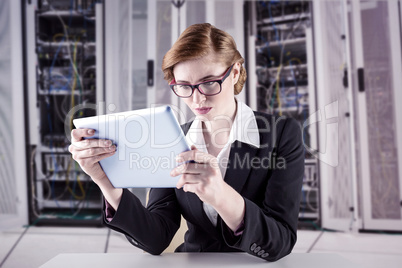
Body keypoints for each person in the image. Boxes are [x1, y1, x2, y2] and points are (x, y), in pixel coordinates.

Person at [69, 23, 304, 262]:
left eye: (210, 82)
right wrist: (106, 181)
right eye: (184, 87)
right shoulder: (173, 138)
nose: (197, 98)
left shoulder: (282, 134)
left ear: (234, 73)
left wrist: (220, 195)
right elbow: (156, 238)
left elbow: (281, 241)